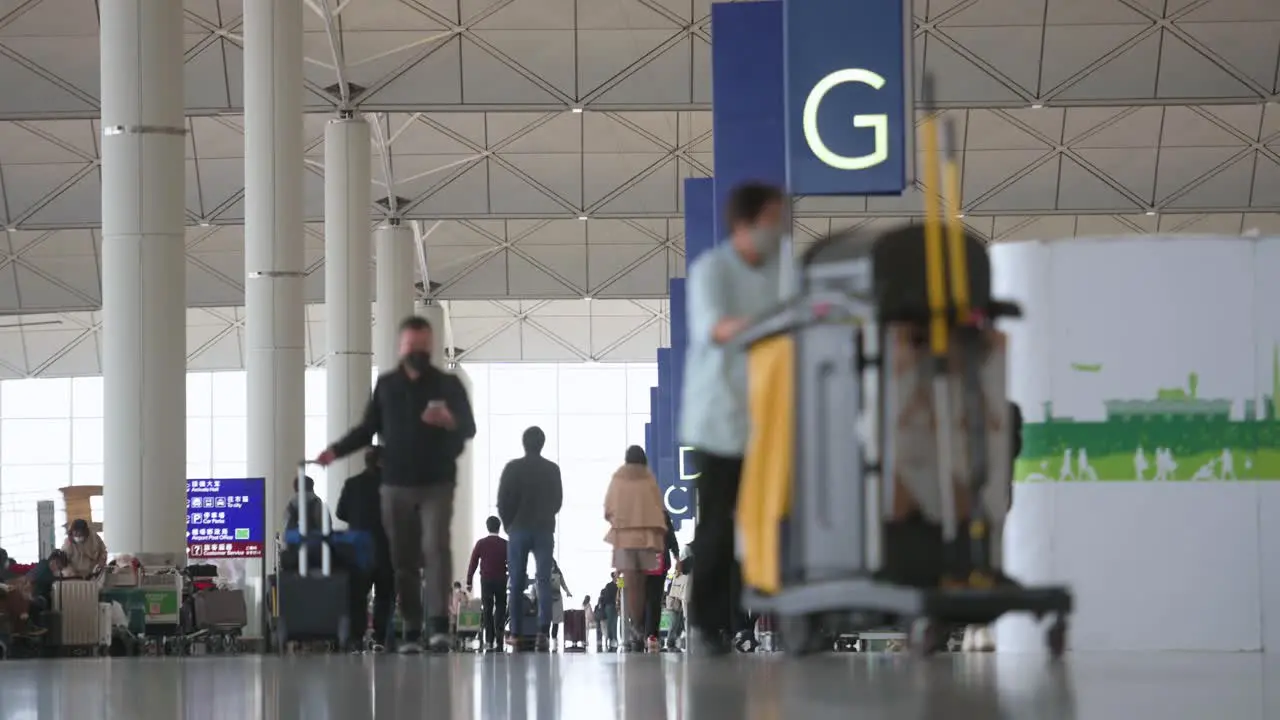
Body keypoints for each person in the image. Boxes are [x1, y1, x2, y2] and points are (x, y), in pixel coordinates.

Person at [316, 314, 477, 654]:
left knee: (435, 549)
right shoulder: (388, 386)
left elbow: (469, 428)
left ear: (430, 346)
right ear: (401, 348)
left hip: (436, 481)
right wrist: (335, 451)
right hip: (396, 484)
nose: (415, 351)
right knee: (402, 560)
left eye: (421, 346)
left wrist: (450, 420)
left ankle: (437, 627)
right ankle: (413, 628)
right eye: (410, 346)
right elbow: (367, 427)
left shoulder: (448, 386)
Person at [679, 181, 786, 655]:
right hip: (719, 418)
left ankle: (756, 619)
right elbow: (715, 327)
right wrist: (773, 326)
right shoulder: (713, 270)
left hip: (770, 418)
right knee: (718, 526)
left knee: (766, 521)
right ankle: (705, 625)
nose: (779, 229)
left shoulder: (782, 270)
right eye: (771, 220)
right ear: (745, 223)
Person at [496, 426, 563, 652]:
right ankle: (543, 632)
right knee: (543, 580)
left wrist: (509, 525)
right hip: (544, 529)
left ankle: (515, 633)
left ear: (524, 443)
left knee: (516, 582)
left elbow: (502, 500)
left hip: (519, 529)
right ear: (542, 443)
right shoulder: (552, 469)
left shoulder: (513, 468)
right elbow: (557, 502)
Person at [604, 445, 668, 653]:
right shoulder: (649, 479)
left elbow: (608, 509)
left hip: (624, 538)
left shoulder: (617, 479)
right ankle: (641, 627)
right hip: (646, 538)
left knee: (631, 584)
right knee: (643, 584)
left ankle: (636, 626)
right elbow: (659, 508)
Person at [336, 446, 395, 649]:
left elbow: (340, 512)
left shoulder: (352, 484)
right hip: (386, 548)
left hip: (358, 548)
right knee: (385, 596)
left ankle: (356, 639)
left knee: (358, 596)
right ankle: (380, 638)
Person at [466, 516, 509, 652]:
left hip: (486, 580)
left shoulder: (481, 543)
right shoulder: (505, 544)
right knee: (501, 608)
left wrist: (469, 581)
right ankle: (500, 640)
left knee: (488, 609)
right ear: (499, 527)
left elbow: (473, 562)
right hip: (501, 580)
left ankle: (489, 640)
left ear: (487, 527)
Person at [643, 514, 679, 651]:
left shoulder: (662, 515)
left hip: (658, 564)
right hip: (644, 562)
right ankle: (647, 633)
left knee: (653, 600)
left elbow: (670, 537)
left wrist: (677, 556)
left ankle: (651, 634)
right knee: (648, 600)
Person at [547, 560, 572, 650]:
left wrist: (568, 592)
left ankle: (554, 638)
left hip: (557, 598)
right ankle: (547, 638)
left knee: (556, 620)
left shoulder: (558, 572)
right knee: (547, 619)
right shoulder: (545, 571)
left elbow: (563, 584)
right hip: (548, 598)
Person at [597, 572, 619, 651]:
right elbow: (608, 597)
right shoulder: (609, 585)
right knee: (610, 623)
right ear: (613, 576)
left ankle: (614, 638)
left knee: (615, 623)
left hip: (616, 606)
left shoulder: (620, 583)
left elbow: (623, 591)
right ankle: (611, 638)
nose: (618, 576)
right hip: (610, 605)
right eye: (617, 575)